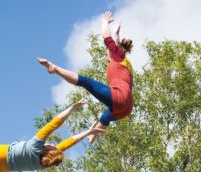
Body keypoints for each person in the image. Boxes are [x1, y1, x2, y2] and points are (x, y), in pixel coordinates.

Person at [38, 11, 133, 143]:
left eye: (107, 53)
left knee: (85, 82)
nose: (106, 57)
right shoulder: (124, 62)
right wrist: (116, 33)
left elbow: (107, 38)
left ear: (113, 52)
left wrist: (104, 22)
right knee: (105, 117)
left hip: (120, 99)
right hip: (126, 107)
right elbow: (116, 46)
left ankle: (55, 69)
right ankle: (92, 135)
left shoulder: (118, 56)